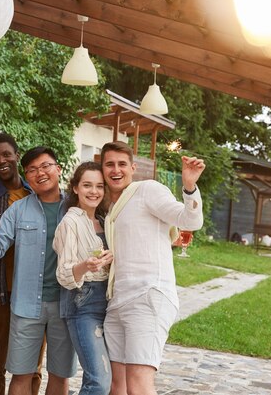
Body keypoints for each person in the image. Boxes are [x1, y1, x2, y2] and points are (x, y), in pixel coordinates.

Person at [100, 141, 205, 395]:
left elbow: (190, 219)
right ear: (102, 169)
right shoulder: (110, 208)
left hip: (148, 296)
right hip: (117, 301)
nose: (116, 170)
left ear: (133, 168)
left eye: (122, 164)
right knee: (117, 386)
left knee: (139, 386)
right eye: (109, 164)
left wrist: (189, 186)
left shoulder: (147, 190)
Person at [0, 146, 76, 395]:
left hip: (65, 305)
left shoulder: (75, 209)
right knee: (21, 374)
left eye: (45, 166)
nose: (39, 173)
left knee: (60, 375)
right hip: (26, 306)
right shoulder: (19, 209)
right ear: (27, 177)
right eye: (32, 170)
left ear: (58, 169)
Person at [0, 133, 45, 395]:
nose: (1, 161)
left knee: (34, 365)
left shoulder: (38, 193)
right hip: (0, 290)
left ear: (17, 155)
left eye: (6, 154)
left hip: (37, 291)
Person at [53, 161, 114, 395]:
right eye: (87, 185)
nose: (94, 191)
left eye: (99, 186)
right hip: (83, 303)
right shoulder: (71, 222)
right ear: (75, 188)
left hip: (109, 301)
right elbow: (64, 273)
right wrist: (84, 266)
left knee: (108, 379)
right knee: (98, 381)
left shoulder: (104, 220)